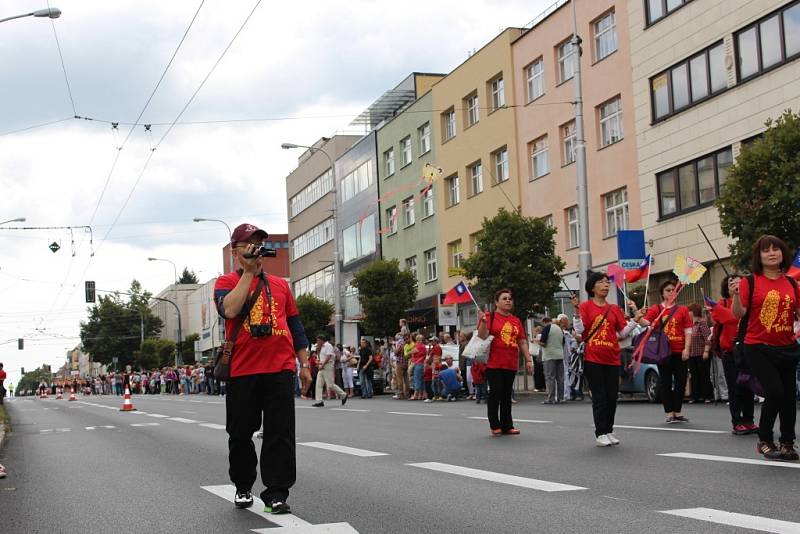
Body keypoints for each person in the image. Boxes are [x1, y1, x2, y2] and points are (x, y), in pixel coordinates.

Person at [214, 223, 311, 513]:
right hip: (243, 370)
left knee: (280, 432)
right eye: (249, 243)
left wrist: (304, 363)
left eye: (259, 243)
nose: (255, 248)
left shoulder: (281, 285)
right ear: (235, 250)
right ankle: (243, 486)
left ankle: (277, 493)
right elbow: (229, 310)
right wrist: (248, 272)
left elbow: (295, 325)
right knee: (240, 432)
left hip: (279, 367)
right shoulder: (226, 281)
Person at [732, 235, 800, 461]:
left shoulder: (791, 283)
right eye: (766, 250)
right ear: (758, 256)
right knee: (775, 392)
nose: (772, 253)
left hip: (788, 346)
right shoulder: (749, 282)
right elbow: (739, 314)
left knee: (789, 397)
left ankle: (788, 442)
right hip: (758, 346)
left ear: (783, 253)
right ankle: (765, 440)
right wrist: (735, 297)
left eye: (776, 249)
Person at [574, 272, 641, 446]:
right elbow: (580, 331)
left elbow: (623, 332)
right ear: (592, 287)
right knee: (599, 396)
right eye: (601, 282)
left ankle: (609, 430)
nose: (606, 285)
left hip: (612, 357)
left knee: (612, 396)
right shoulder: (585, 307)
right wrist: (575, 313)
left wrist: (635, 320)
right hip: (593, 358)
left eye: (607, 282)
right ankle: (600, 432)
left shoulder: (614, 309)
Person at [477, 289, 533, 436]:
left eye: (510, 298)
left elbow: (522, 341)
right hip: (493, 362)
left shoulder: (515, 320)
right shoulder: (490, 316)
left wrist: (528, 359)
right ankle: (495, 425)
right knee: (496, 392)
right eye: (504, 298)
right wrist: (483, 322)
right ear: (496, 302)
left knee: (507, 395)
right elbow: (482, 336)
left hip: (510, 362)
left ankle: (507, 425)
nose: (508, 301)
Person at [708, 273, 757, 435]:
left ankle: (749, 420)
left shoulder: (750, 302)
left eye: (739, 281)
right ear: (726, 287)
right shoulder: (720, 304)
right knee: (734, 387)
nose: (735, 283)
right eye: (731, 282)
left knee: (748, 386)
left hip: (748, 350)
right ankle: (737, 422)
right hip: (730, 351)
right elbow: (731, 318)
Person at [639, 279, 693, 424]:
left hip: (680, 350)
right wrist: (638, 315)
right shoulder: (656, 309)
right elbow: (646, 323)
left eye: (673, 290)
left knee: (681, 381)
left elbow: (688, 330)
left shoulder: (682, 310)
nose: (671, 292)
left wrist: (687, 348)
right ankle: (669, 412)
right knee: (666, 382)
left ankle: (678, 411)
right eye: (668, 290)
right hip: (663, 352)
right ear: (662, 293)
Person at [685, 303, 713, 403]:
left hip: (701, 353)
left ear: (694, 312)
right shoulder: (689, 324)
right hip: (692, 354)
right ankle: (695, 396)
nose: (688, 313)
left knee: (704, 375)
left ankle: (707, 395)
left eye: (689, 311)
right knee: (694, 375)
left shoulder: (702, 323)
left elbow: (708, 338)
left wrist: (706, 351)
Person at [312, 335, 347, 407]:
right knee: (318, 384)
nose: (317, 342)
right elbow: (320, 356)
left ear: (322, 340)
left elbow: (329, 357)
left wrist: (323, 364)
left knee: (330, 385)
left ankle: (343, 395)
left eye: (318, 340)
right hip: (322, 365)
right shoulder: (321, 347)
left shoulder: (328, 346)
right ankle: (319, 401)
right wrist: (318, 351)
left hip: (328, 365)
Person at [539, 317, 565, 404]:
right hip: (560, 355)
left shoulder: (547, 328)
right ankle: (561, 398)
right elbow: (563, 342)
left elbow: (543, 342)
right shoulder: (559, 329)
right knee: (560, 378)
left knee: (550, 378)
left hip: (549, 356)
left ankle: (551, 398)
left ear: (544, 322)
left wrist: (537, 341)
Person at [409, 334, 427, 400]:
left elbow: (410, 352)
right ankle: (421, 395)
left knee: (417, 379)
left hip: (418, 363)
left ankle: (415, 394)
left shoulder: (419, 346)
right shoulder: (423, 346)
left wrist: (410, 351)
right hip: (422, 363)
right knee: (421, 380)